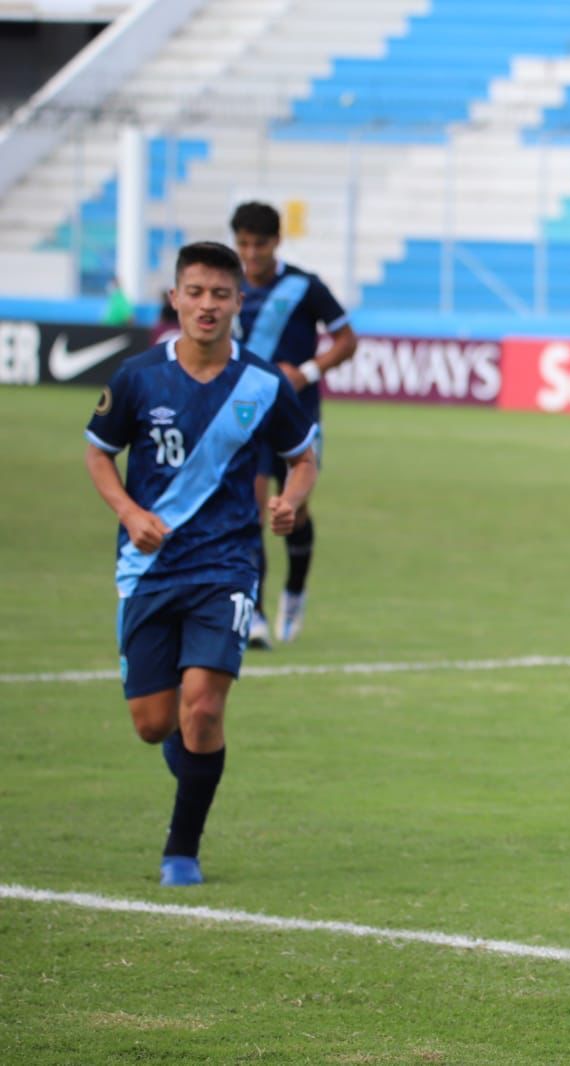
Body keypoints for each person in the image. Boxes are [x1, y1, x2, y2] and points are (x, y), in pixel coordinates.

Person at [82, 240, 319, 887]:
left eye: (221, 294)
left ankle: (181, 852)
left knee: (205, 708)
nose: (207, 305)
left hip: (227, 566)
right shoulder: (139, 377)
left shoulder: (264, 383)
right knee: (153, 723)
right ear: (175, 299)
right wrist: (130, 514)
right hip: (149, 569)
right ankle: (185, 751)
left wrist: (292, 502)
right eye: (196, 292)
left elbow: (303, 457)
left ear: (239, 302)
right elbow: (99, 452)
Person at [231, 201, 356, 647]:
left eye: (259, 244)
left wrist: (305, 372)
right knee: (251, 507)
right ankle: (256, 614)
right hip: (246, 414)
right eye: (243, 244)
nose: (251, 254)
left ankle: (295, 591)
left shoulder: (304, 287)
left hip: (297, 414)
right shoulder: (229, 289)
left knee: (293, 510)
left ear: (276, 242)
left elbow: (346, 340)